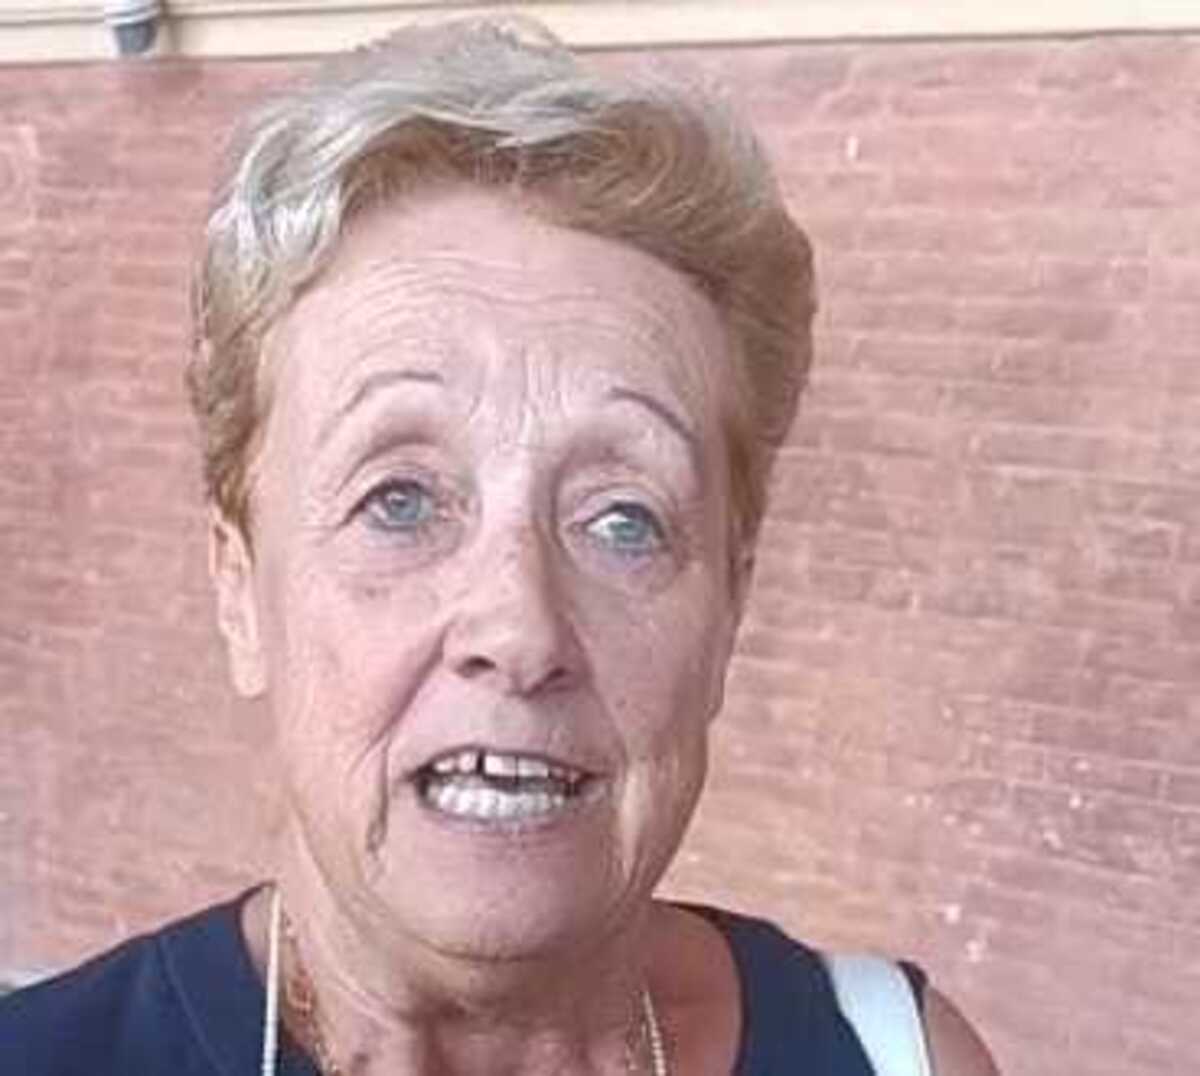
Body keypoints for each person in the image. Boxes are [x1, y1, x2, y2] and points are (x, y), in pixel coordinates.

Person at [0, 16, 998, 1075]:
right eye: (399, 501)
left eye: (624, 519)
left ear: (727, 611)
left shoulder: (896, 1055)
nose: (521, 630)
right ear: (240, 587)